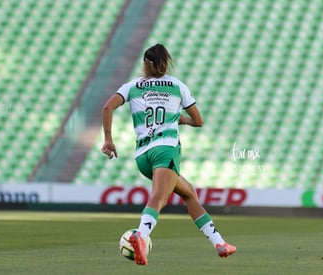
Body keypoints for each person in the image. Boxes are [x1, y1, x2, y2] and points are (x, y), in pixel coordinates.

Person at [101, 44, 236, 265]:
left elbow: (107, 108)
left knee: (189, 194)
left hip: (143, 156)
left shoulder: (132, 86)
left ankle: (219, 243)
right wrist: (182, 119)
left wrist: (108, 139)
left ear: (145, 64)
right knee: (160, 198)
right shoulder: (177, 86)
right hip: (166, 150)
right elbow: (199, 121)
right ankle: (141, 236)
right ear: (166, 64)